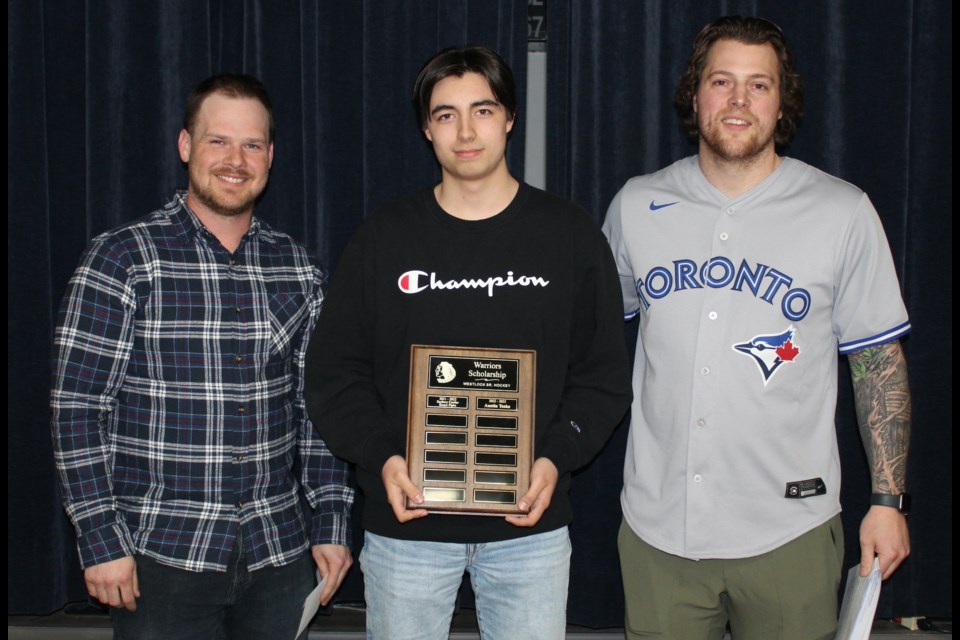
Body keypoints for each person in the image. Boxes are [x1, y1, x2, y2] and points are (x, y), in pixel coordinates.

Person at [304, 46, 632, 640]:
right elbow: (335, 373)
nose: (465, 130)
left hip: (528, 532)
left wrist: (557, 457)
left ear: (508, 118)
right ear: (427, 129)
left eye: (482, 110)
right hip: (408, 530)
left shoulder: (570, 235)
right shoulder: (384, 237)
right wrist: (382, 458)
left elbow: (604, 376)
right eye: (446, 114)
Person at [602, 16, 912, 640]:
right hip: (659, 528)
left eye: (759, 85)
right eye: (721, 81)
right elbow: (593, 346)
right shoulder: (636, 205)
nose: (739, 101)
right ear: (695, 96)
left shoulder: (841, 211)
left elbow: (878, 364)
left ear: (783, 101)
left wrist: (887, 502)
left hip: (787, 530)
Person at [50, 73, 354, 639]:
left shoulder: (300, 269)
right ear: (186, 145)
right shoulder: (122, 260)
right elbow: (77, 409)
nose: (235, 159)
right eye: (218, 140)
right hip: (159, 559)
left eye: (252, 144)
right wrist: (99, 539)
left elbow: (320, 411)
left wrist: (331, 523)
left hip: (279, 556)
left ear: (270, 156)